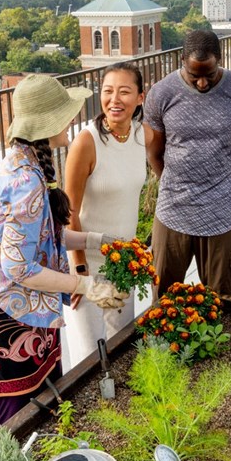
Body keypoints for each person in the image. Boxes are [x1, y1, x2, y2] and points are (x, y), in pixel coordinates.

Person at [0, 75, 126, 433]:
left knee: (44, 414)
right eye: (65, 114)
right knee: (16, 429)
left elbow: (44, 239)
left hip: (24, 310)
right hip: (6, 315)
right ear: (46, 124)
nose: (72, 119)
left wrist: (98, 241)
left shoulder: (29, 165)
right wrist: (87, 286)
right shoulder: (25, 182)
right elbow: (19, 267)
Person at [143, 29, 231, 297]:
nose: (201, 83)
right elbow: (154, 153)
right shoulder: (161, 93)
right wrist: (175, 185)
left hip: (223, 214)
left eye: (209, 74)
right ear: (182, 60)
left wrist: (228, 187)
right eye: (193, 75)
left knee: (221, 297)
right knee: (164, 295)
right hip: (173, 211)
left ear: (219, 60)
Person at [62, 62, 152, 368]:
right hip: (86, 263)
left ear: (141, 97)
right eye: (108, 91)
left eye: (124, 92)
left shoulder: (143, 136)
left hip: (123, 264)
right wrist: (80, 271)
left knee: (120, 351)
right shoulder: (86, 142)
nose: (115, 99)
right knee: (88, 362)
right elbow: (67, 211)